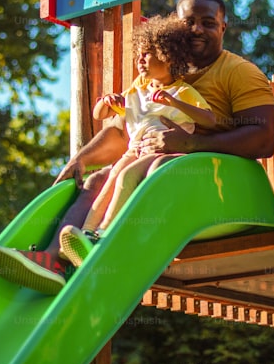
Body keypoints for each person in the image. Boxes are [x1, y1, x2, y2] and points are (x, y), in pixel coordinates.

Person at [0, 0, 274, 295]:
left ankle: (106, 242)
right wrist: (80, 159)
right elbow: (124, 132)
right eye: (188, 22)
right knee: (98, 178)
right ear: (174, 25)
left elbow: (263, 139)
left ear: (223, 27)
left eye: (208, 22)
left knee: (158, 167)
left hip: (217, 182)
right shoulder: (156, 77)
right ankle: (54, 259)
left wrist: (189, 145)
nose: (197, 30)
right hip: (162, 164)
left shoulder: (239, 72)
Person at [57, 15, 216, 267]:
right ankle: (86, 235)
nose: (140, 60)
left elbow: (209, 120)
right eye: (139, 54)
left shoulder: (183, 91)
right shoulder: (139, 88)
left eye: (147, 54)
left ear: (168, 57)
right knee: (109, 179)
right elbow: (100, 115)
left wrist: (173, 102)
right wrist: (107, 102)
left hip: (162, 153)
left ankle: (104, 235)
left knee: (124, 177)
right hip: (135, 151)